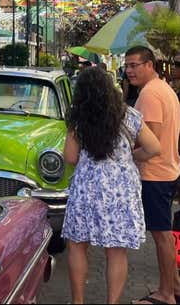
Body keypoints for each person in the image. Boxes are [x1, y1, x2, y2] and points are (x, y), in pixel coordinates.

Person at [62, 67, 160, 304]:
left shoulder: (78, 118)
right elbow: (155, 148)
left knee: (77, 245)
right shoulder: (128, 115)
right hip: (121, 189)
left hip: (87, 188)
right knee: (116, 252)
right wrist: (130, 157)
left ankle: (78, 302)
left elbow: (70, 157)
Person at [125, 46, 180, 305]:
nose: (129, 71)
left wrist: (128, 156)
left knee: (161, 235)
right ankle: (174, 286)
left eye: (135, 65)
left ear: (150, 65)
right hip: (166, 170)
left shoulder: (150, 94)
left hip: (155, 174)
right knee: (163, 233)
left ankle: (166, 293)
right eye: (127, 66)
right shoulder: (162, 89)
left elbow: (151, 141)